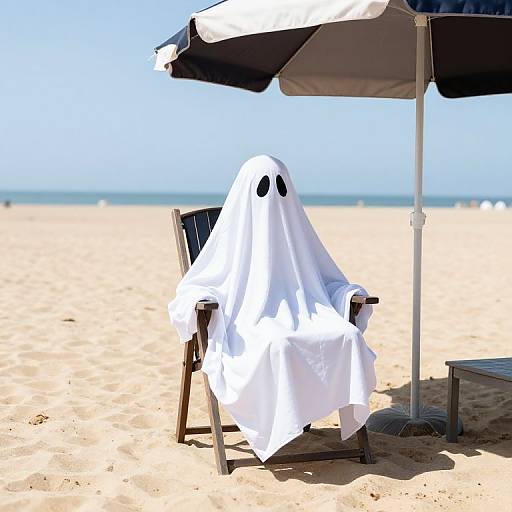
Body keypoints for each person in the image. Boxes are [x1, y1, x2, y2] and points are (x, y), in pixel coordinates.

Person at [169, 155, 376, 461]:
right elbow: (197, 286)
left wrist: (348, 295)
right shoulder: (230, 237)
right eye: (263, 187)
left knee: (347, 335)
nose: (273, 196)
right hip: (246, 322)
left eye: (280, 186)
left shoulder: (296, 232)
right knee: (276, 343)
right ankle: (281, 425)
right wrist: (204, 306)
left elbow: (325, 276)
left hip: (306, 314)